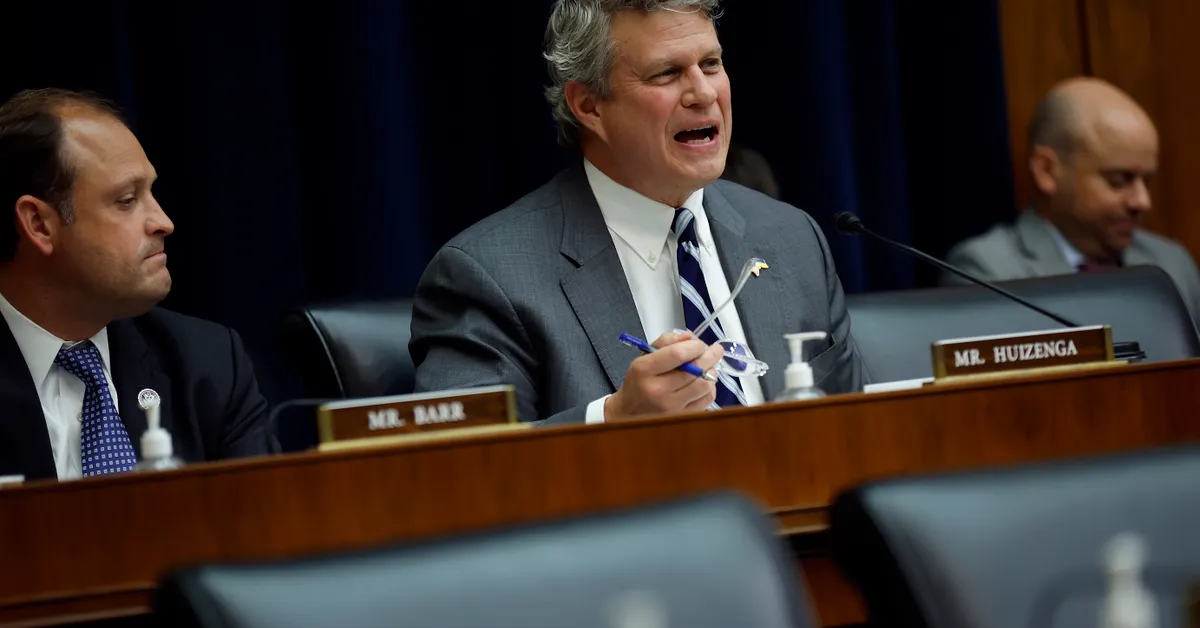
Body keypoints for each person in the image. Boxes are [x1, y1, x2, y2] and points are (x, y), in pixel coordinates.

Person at [410, 0, 867, 424]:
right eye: (666, 73)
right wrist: (613, 421)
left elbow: (857, 431)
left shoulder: (791, 237)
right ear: (588, 106)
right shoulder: (490, 275)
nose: (703, 93)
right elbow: (460, 470)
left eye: (710, 64)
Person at [0, 88, 271, 482]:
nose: (163, 221)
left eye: (151, 193)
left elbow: (269, 530)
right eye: (127, 200)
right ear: (40, 224)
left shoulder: (208, 365)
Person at [943, 77, 1200, 322]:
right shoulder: (989, 272)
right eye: (1119, 180)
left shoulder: (1171, 264)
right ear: (1047, 171)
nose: (1142, 202)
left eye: (1147, 181)